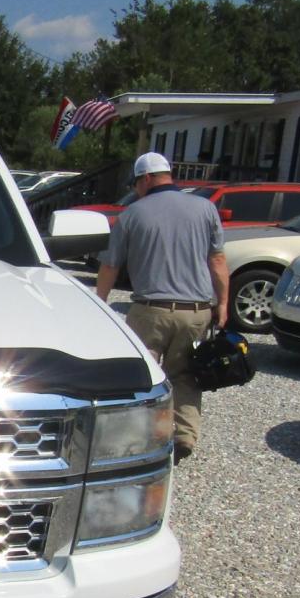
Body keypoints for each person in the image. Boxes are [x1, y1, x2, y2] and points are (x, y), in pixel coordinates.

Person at [95, 152, 228, 464]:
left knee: (145, 377)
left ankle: (141, 439)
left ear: (146, 179)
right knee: (186, 375)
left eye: (137, 183)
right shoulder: (206, 209)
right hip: (196, 309)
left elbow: (110, 266)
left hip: (150, 309)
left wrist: (99, 303)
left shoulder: (131, 214)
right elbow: (218, 261)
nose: (136, 189)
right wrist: (222, 303)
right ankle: (183, 437)